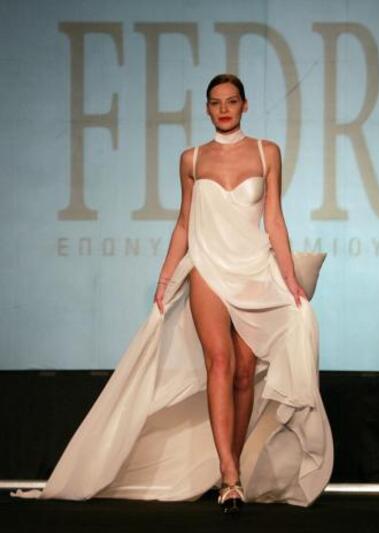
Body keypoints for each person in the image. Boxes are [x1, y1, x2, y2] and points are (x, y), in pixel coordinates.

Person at [12, 74, 333, 513]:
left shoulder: (266, 151)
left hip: (254, 271)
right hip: (207, 268)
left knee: (245, 372)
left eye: (231, 101)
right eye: (216, 102)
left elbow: (274, 218)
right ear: (206, 108)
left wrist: (289, 278)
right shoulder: (192, 159)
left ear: (245, 105)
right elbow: (184, 221)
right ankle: (229, 475)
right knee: (219, 362)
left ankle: (234, 465)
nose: (224, 109)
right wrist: (165, 278)